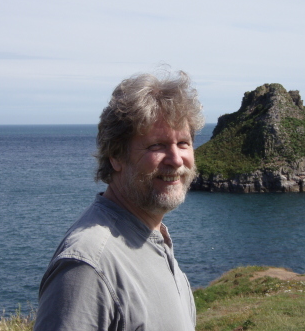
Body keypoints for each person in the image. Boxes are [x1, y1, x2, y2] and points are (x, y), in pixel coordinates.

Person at [34, 70, 205, 331]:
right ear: (115, 156)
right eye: (157, 145)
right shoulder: (89, 264)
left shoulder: (153, 238)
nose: (176, 159)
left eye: (183, 143)